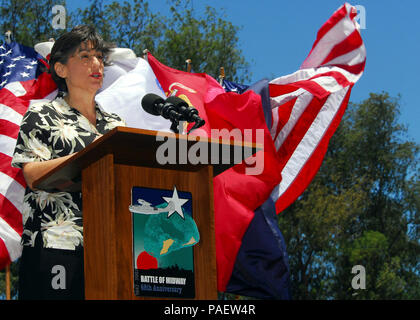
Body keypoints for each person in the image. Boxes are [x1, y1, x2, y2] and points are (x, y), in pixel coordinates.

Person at [11, 25, 126, 299]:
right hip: (56, 245)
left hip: (109, 248)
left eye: (99, 56)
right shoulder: (42, 113)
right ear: (61, 69)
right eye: (84, 57)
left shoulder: (116, 126)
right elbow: (32, 174)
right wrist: (87, 158)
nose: (96, 63)